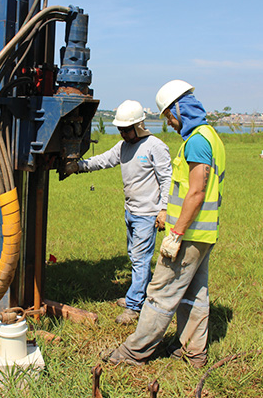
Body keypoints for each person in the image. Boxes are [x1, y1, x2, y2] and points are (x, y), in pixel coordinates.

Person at [105, 80, 226, 368]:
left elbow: (196, 191)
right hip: (204, 235)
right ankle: (193, 352)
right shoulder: (211, 136)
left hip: (188, 234)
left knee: (159, 293)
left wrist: (176, 233)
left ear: (180, 109)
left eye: (170, 117)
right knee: (194, 295)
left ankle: (134, 352)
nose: (170, 124)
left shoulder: (197, 141)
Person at [65, 99, 172, 324]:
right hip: (131, 212)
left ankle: (133, 307)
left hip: (147, 215)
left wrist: (164, 209)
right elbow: (104, 160)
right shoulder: (123, 147)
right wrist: (79, 166)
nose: (123, 134)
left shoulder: (155, 146)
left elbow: (166, 179)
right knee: (135, 257)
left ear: (139, 126)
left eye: (126, 130)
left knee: (141, 259)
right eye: (120, 130)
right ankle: (144, 296)